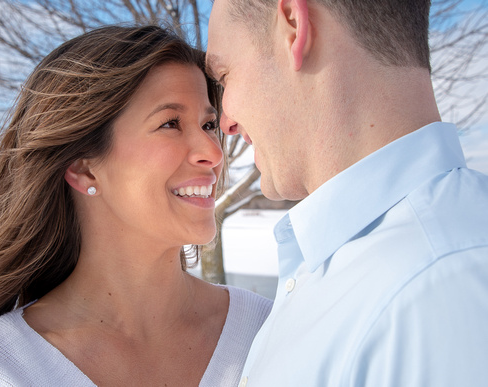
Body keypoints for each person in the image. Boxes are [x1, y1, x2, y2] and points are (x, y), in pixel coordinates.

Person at [0, 25, 272, 386]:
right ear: (83, 168)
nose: (214, 153)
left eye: (208, 124)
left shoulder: (267, 331)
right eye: (170, 123)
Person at [206, 0, 488, 385]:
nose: (227, 121)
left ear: (293, 26)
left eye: (224, 77)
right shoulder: (349, 270)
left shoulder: (435, 296)